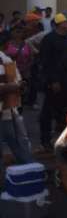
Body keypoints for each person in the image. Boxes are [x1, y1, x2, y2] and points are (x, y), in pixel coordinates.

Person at [39, 13, 67, 150]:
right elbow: (45, 62)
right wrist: (53, 80)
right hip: (53, 81)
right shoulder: (48, 39)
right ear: (60, 23)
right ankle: (45, 139)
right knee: (48, 111)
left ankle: (66, 137)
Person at [0, 31, 36, 173]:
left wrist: (18, 87)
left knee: (19, 145)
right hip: (7, 113)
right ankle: (33, 171)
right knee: (19, 145)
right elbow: (17, 85)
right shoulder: (5, 60)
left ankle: (33, 171)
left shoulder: (6, 60)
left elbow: (19, 84)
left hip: (8, 112)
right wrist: (12, 87)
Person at [5, 23, 35, 109]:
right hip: (10, 74)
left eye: (22, 31)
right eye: (17, 31)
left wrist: (26, 68)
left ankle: (18, 116)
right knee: (10, 96)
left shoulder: (27, 44)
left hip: (24, 74)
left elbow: (32, 59)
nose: (19, 33)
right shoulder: (7, 44)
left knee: (21, 96)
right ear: (13, 32)